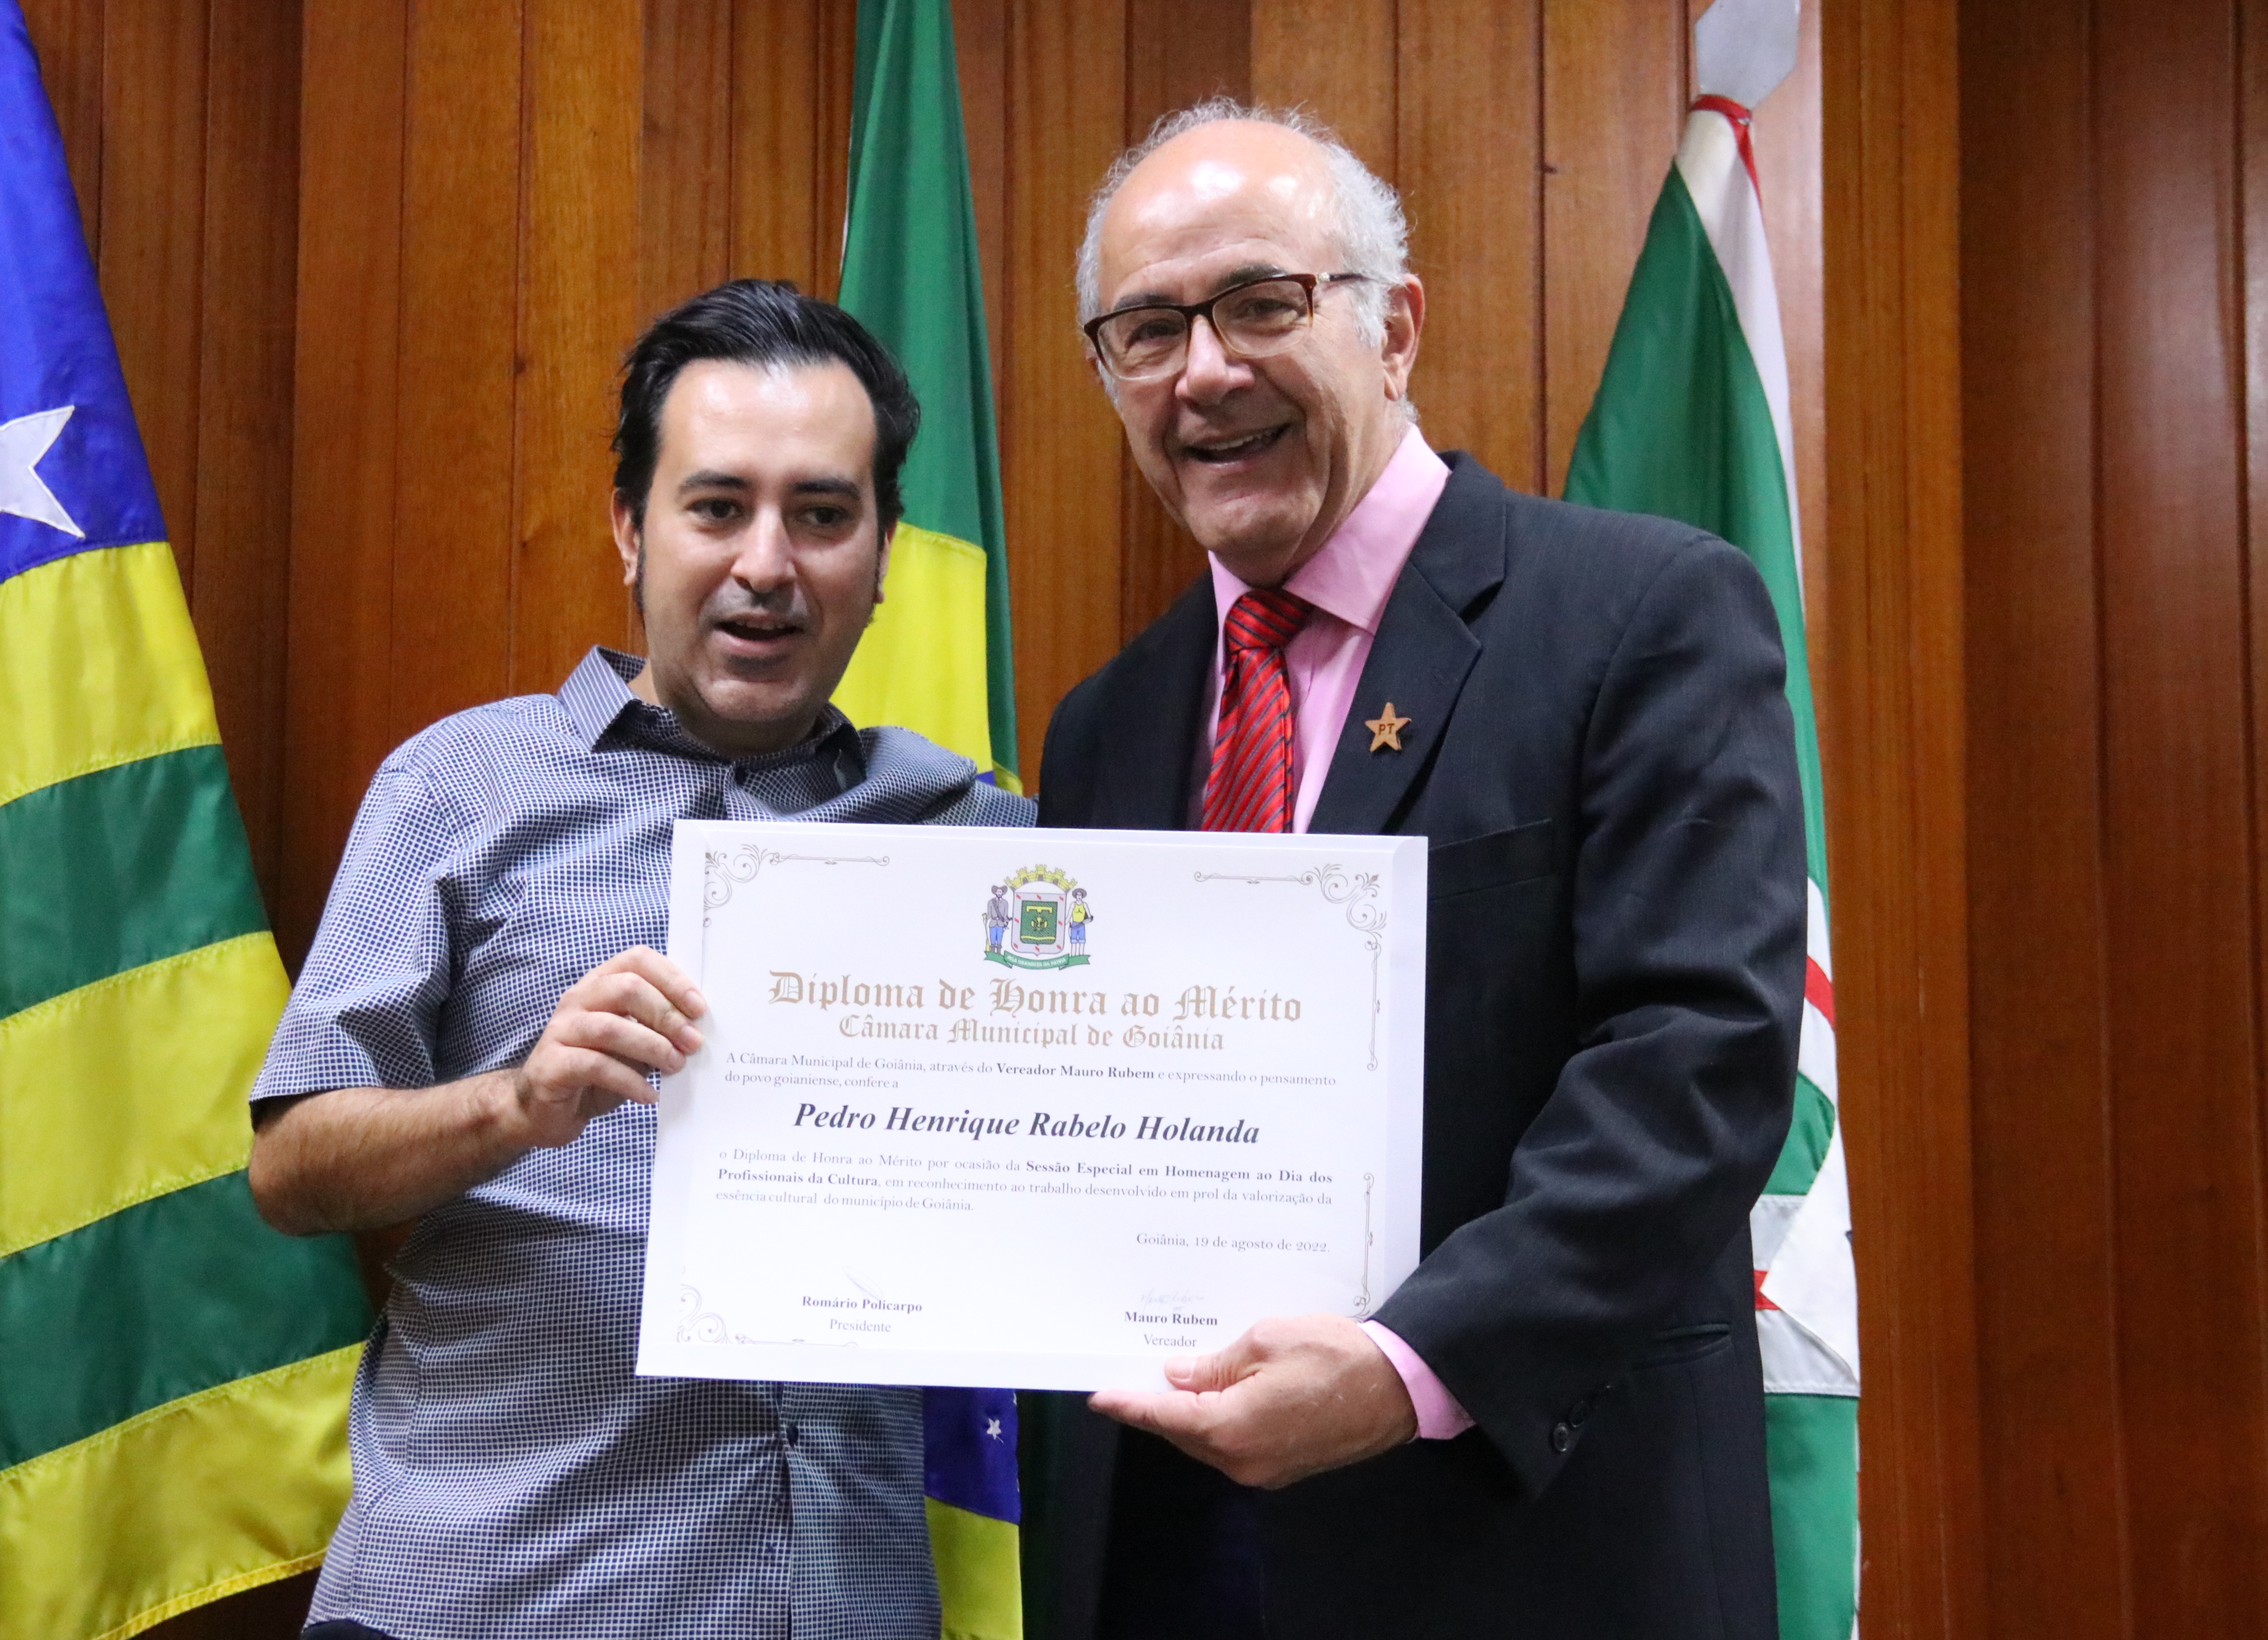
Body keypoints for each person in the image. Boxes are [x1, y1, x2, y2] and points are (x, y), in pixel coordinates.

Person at [1030, 101, 1805, 1639]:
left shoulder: (1641, 615)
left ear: (1393, 331)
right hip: (1166, 1552)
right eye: (1148, 330)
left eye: (1261, 303)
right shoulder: (1105, 723)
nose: (1204, 371)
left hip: (1529, 1549)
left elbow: (1695, 1062)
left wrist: (1410, 1368)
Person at [246, 280, 1029, 1640]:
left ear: (884, 552)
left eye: (822, 515)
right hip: (492, 1599)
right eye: (717, 507)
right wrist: (517, 1104)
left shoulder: (978, 846)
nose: (767, 564)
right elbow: (291, 1172)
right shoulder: (460, 787)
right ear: (631, 527)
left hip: (842, 1605)